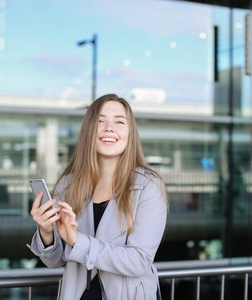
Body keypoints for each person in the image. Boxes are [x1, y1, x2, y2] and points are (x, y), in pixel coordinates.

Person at [28, 94, 168, 300]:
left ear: (130, 133)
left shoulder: (148, 185)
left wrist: (78, 241)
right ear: (89, 131)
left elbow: (139, 261)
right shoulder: (68, 184)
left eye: (119, 122)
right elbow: (54, 260)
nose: (109, 128)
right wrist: (46, 231)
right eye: (100, 121)